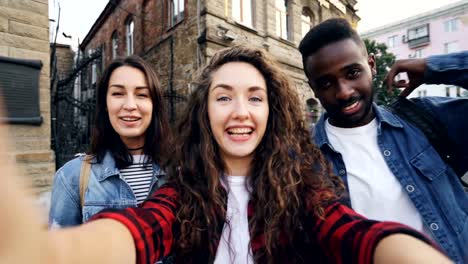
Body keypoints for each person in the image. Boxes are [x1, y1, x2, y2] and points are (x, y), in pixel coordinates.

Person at [0, 46, 451, 264]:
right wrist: (53, 253)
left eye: (255, 97)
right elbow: (142, 229)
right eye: (224, 97)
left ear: (272, 110)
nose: (240, 112)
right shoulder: (183, 188)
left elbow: (348, 230)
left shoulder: (302, 187)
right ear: (203, 112)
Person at [299, 18, 468, 263]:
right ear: (313, 88)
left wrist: (434, 67)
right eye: (326, 83)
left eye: (352, 73)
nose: (344, 91)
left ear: (372, 65)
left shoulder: (425, 120)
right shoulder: (302, 160)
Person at [49, 56, 172, 227]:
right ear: (105, 103)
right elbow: (60, 251)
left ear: (154, 104)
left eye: (142, 94)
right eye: (118, 93)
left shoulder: (181, 172)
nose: (130, 105)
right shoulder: (71, 177)